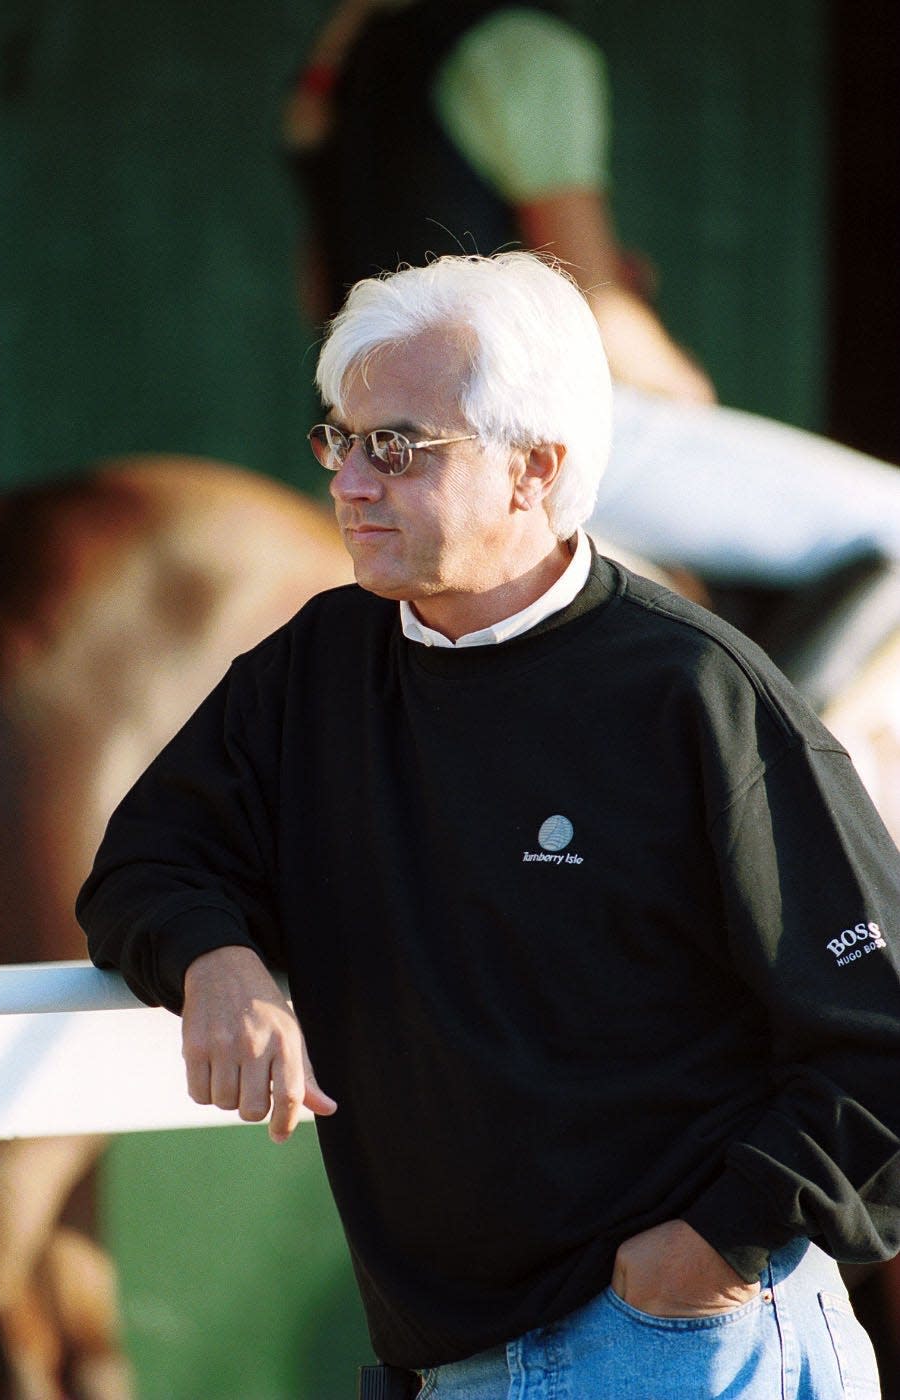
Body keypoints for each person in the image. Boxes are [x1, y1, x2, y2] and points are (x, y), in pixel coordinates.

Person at [78, 252, 899, 1398]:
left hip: (675, 1346)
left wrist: (708, 1253)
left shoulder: (701, 697)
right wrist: (214, 958)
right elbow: (145, 857)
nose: (349, 481)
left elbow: (882, 1034)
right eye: (341, 438)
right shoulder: (313, 668)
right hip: (446, 1362)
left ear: (536, 468)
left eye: (398, 447)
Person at [283, 0, 900, 589]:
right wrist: (681, 384)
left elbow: (318, 288)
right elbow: (595, 300)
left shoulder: (340, 57)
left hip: (364, 440)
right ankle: (757, 699)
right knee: (889, 518)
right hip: (502, 427)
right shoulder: (524, 49)